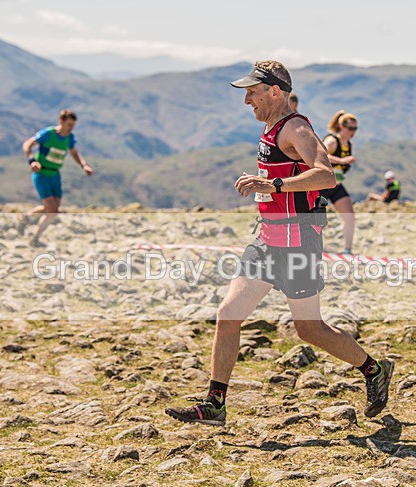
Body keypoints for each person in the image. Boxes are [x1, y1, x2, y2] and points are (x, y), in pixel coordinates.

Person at [165, 60, 394, 426]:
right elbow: (284, 172)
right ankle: (215, 403)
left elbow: (324, 175)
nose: (246, 102)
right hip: (267, 239)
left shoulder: (296, 128)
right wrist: (265, 181)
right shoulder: (272, 126)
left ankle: (374, 369)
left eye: (252, 94)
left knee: (310, 329)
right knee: (228, 314)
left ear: (274, 91)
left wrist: (273, 186)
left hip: (298, 243)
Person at [18, 109, 93, 247]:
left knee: (53, 208)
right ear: (61, 121)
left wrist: (84, 165)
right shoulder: (48, 134)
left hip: (55, 174)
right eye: (69, 124)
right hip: (42, 174)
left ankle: (26, 217)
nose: (71, 128)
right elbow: (27, 144)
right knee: (51, 209)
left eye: (73, 125)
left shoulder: (70, 138)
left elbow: (74, 153)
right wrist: (32, 160)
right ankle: (35, 239)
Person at [319, 110, 358, 255]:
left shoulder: (348, 144)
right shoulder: (332, 141)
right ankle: (311, 247)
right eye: (351, 128)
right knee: (316, 219)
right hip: (322, 186)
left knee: (350, 216)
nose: (353, 132)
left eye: (355, 129)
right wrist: (341, 161)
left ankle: (348, 249)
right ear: (342, 127)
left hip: (337, 185)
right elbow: (320, 154)